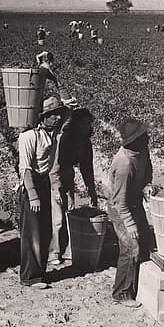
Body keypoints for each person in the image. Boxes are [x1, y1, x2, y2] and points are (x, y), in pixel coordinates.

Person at [107, 118, 158, 308]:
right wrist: (129, 224)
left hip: (134, 202)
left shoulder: (142, 151)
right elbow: (119, 201)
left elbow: (148, 167)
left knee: (145, 243)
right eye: (143, 136)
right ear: (133, 140)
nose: (147, 138)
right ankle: (121, 293)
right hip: (120, 210)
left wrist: (147, 184)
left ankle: (139, 287)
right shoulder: (124, 163)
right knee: (131, 248)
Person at [17, 96, 66, 288]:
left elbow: (69, 110)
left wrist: (50, 75)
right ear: (42, 117)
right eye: (52, 115)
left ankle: (39, 272)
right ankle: (30, 277)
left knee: (44, 231)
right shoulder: (29, 136)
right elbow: (25, 168)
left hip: (43, 181)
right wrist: (33, 196)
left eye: (58, 115)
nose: (57, 118)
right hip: (32, 185)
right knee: (32, 232)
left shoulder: (51, 134)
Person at [48, 107, 99, 265]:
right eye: (83, 124)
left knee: (69, 213)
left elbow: (86, 168)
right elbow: (54, 165)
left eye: (88, 124)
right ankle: (53, 253)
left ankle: (69, 250)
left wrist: (92, 191)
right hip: (54, 177)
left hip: (68, 177)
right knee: (56, 217)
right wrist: (56, 187)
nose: (86, 127)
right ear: (76, 124)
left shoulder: (85, 143)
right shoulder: (64, 139)